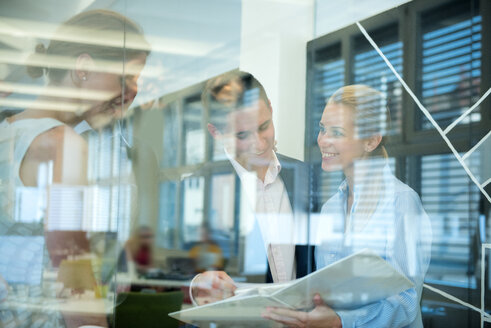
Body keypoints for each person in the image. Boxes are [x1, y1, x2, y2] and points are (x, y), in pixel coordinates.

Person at [262, 85, 432, 328]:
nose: (323, 140)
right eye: (322, 129)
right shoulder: (331, 207)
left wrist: (342, 322)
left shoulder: (401, 202)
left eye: (337, 132)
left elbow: (406, 301)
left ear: (371, 141)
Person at [189, 70, 311, 305]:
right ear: (216, 133)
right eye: (243, 135)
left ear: (271, 109)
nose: (259, 143)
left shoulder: (305, 175)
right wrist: (197, 287)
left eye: (264, 126)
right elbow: (172, 271)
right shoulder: (198, 189)